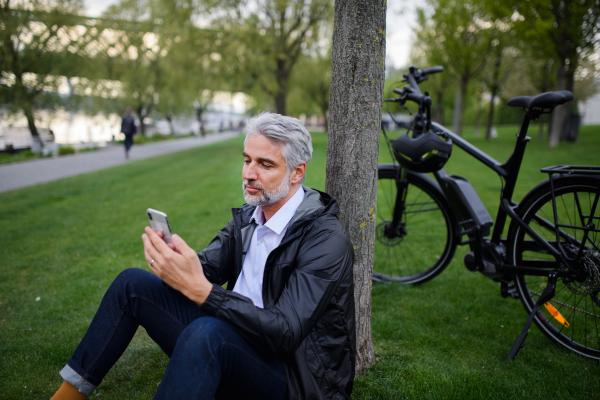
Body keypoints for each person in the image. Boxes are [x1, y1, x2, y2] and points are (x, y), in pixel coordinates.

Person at [50, 112, 356, 400]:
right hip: (234, 340)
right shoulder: (251, 215)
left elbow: (285, 334)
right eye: (247, 160)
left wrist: (205, 293)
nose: (249, 173)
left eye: (265, 164)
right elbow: (205, 268)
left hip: (292, 377)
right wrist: (175, 262)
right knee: (131, 284)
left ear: (296, 172)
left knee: (208, 333)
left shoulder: (326, 239)